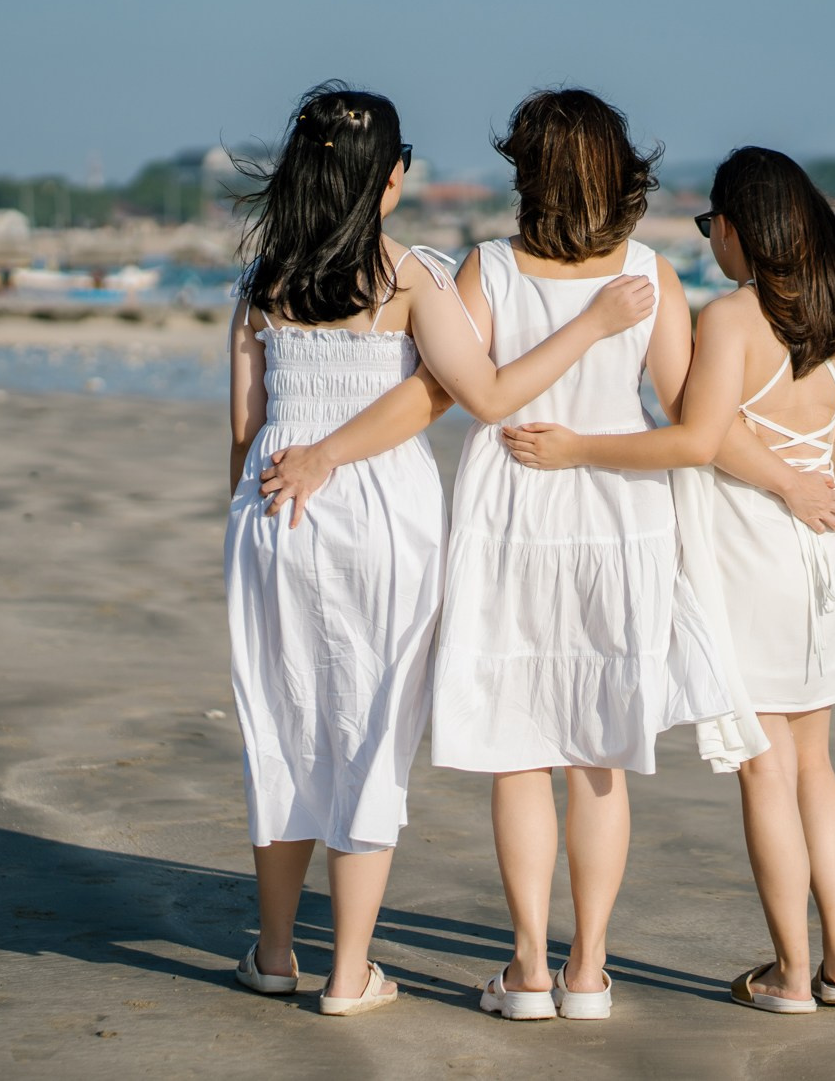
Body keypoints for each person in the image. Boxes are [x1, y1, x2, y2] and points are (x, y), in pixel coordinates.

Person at [263, 91, 833, 1023]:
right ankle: (587, 971)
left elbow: (442, 396)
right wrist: (790, 476)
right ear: (621, 175)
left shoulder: (484, 271)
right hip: (621, 520)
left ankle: (528, 968)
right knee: (600, 755)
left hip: (510, 513)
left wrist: (332, 451)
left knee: (521, 755)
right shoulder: (651, 275)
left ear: (528, 174)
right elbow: (699, 421)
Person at [223, 82, 654, 1018]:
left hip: (270, 506)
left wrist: (274, 499)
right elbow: (485, 397)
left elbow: (243, 433)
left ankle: (271, 950)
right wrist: (592, 325)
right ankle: (348, 973)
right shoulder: (409, 274)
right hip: (382, 515)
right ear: (390, 179)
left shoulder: (261, 284)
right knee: (369, 728)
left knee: (282, 720)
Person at [503, 145, 835, 1014]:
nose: (709, 238)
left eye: (711, 223)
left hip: (745, 563)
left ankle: (791, 974)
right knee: (816, 767)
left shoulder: (732, 318)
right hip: (824, 566)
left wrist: (578, 448)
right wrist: (833, 572)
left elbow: (694, 439)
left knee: (764, 769)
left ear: (741, 228)